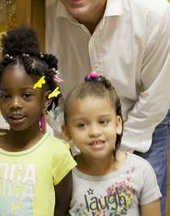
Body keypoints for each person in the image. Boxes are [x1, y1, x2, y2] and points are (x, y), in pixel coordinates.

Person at [37, 0, 170, 215]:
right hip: (75, 132)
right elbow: (44, 90)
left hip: (142, 122)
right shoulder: (43, 17)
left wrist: (117, 157)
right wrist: (70, 140)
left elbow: (157, 94)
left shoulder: (152, 12)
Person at [0, 26, 76, 215]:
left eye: (26, 95)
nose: (15, 104)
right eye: (6, 96)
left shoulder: (57, 152)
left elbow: (61, 210)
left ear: (46, 100)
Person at [62, 71, 161, 216]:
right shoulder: (66, 177)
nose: (94, 132)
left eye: (103, 122)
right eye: (82, 125)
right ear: (66, 132)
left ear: (118, 124)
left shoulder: (141, 171)